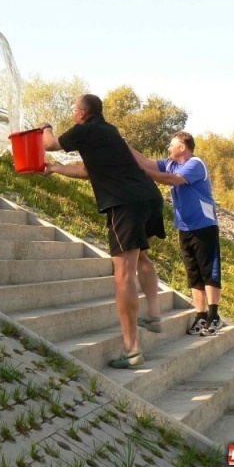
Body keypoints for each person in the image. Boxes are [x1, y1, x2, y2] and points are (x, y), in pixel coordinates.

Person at [42, 94, 166, 369]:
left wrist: (45, 127)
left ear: (83, 113)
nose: (73, 115)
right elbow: (89, 170)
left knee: (123, 275)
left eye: (74, 111)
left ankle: (132, 350)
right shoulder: (109, 132)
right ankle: (155, 313)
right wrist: (57, 169)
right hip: (148, 198)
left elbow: (49, 143)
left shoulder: (85, 130)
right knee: (142, 256)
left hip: (125, 205)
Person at [130, 131, 223, 336]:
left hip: (204, 226)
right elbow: (145, 161)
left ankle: (214, 316)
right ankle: (200, 316)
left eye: (171, 145)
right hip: (185, 227)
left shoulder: (195, 164)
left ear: (182, 146)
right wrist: (122, 145)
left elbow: (173, 180)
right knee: (194, 274)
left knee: (209, 273)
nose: (168, 149)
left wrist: (144, 172)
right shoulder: (170, 163)